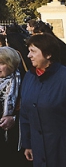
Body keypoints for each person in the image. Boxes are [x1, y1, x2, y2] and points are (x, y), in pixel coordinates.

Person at [19, 32, 66, 166]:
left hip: (60, 150)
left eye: (33, 51)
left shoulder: (63, 78)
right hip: (38, 150)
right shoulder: (29, 77)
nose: (29, 56)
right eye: (29, 51)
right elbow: (25, 113)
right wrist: (27, 143)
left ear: (48, 54)